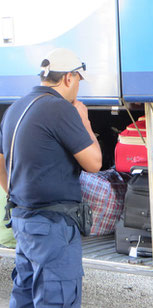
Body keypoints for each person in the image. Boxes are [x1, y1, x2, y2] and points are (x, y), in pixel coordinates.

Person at [0, 48, 102, 307]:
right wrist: (84, 121)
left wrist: (14, 194)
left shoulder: (15, 108)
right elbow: (94, 163)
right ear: (69, 78)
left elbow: (1, 160)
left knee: (24, 297)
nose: (78, 87)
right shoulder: (60, 109)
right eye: (78, 80)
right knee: (57, 298)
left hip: (23, 221)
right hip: (52, 227)